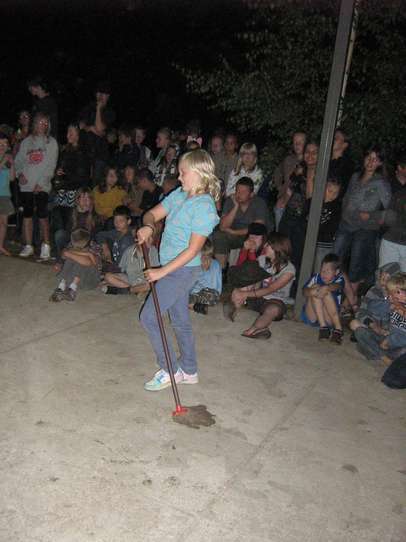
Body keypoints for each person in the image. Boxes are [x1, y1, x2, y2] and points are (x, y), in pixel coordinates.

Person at [138, 149, 220, 391]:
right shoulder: (179, 194)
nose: (179, 177)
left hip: (183, 270)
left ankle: (170, 370)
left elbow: (193, 250)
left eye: (183, 173)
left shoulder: (204, 208)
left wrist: (161, 272)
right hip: (173, 268)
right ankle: (189, 370)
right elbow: (151, 214)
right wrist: (149, 227)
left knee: (149, 317)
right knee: (180, 320)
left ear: (200, 174)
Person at [333, 146, 392, 300]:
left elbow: (391, 210)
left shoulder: (381, 182)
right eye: (368, 157)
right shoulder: (355, 176)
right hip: (346, 224)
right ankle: (335, 293)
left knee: (356, 264)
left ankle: (351, 301)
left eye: (375, 159)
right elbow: (346, 198)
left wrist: (372, 215)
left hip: (365, 228)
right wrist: (343, 213)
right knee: (335, 258)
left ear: (380, 163)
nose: (371, 162)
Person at [226, 233, 295, 340]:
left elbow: (270, 289)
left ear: (277, 248)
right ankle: (234, 310)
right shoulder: (263, 259)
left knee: (272, 310)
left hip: (276, 301)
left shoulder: (289, 270)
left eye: (268, 245)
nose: (264, 246)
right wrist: (240, 290)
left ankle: (255, 329)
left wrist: (244, 294)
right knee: (243, 286)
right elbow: (250, 273)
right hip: (257, 298)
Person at [15, 112, 58, 259]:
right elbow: (18, 161)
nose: (43, 125)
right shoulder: (26, 142)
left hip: (42, 186)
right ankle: (28, 246)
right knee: (27, 215)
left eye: (46, 123)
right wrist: (20, 174)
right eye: (41, 122)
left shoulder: (51, 142)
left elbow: (52, 165)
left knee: (42, 215)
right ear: (35, 124)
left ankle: (46, 245)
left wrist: (42, 183)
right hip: (26, 185)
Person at [278, 141, 318, 273]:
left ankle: (294, 280)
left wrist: (310, 174)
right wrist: (283, 202)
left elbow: (310, 197)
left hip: (304, 218)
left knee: (296, 253)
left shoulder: (321, 173)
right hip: (290, 212)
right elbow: (291, 186)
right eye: (307, 152)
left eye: (314, 152)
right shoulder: (301, 167)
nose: (310, 155)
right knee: (281, 247)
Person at [213, 177, 270, 270]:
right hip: (235, 235)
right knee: (219, 235)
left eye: (243, 192)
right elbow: (223, 227)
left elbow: (257, 229)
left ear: (251, 194)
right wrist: (235, 206)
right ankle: (221, 271)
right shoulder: (230, 201)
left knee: (254, 238)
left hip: (255, 236)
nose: (239, 194)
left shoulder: (259, 203)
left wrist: (233, 232)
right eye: (237, 190)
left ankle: (250, 272)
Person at [353, 272, 406, 365]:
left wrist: (390, 340)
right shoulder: (392, 302)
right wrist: (386, 300)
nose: (390, 297)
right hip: (386, 337)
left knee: (402, 348)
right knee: (360, 332)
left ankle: (375, 352)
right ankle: (384, 357)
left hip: (399, 342)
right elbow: (371, 308)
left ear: (401, 292)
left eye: (393, 293)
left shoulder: (399, 305)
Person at [52, 123, 90, 244]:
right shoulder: (65, 151)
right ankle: (64, 246)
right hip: (63, 190)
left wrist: (65, 174)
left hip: (75, 191)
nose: (68, 135)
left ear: (78, 135)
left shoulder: (82, 152)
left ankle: (76, 245)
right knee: (63, 221)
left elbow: (82, 175)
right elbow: (60, 168)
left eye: (72, 132)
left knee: (73, 220)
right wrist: (58, 172)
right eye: (68, 132)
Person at [302, 253, 345, 344]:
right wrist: (312, 291)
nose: (324, 273)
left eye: (328, 271)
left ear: (336, 272)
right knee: (316, 288)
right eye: (322, 270)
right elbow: (304, 291)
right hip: (312, 316)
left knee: (325, 292)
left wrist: (326, 288)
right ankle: (323, 327)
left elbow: (337, 286)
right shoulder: (316, 277)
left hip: (329, 318)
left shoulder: (339, 279)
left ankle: (338, 328)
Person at [78, 81, 116, 183]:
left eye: (103, 94)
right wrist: (89, 128)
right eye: (99, 93)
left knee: (97, 185)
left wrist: (98, 109)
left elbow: (100, 129)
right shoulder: (88, 108)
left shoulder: (110, 112)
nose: (100, 96)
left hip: (100, 155)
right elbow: (80, 125)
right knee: (83, 184)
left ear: (108, 96)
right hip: (85, 152)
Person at [349, 262, 400, 336]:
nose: (384, 281)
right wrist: (374, 326)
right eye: (382, 277)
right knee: (354, 324)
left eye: (388, 279)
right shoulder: (373, 291)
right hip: (372, 326)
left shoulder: (399, 295)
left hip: (389, 329)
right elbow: (361, 310)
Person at [49, 228, 100, 302]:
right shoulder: (72, 245)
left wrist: (89, 254)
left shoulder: (94, 246)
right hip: (72, 279)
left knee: (81, 260)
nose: (73, 244)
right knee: (72, 258)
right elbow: (64, 254)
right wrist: (87, 254)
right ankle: (61, 287)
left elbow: (91, 263)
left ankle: (72, 290)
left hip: (90, 281)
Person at [54, 187, 96, 261]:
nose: (85, 200)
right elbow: (69, 231)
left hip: (86, 243)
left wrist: (87, 213)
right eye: (82, 197)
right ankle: (61, 260)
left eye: (87, 198)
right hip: (72, 241)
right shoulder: (71, 212)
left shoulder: (95, 215)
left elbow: (93, 236)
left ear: (91, 200)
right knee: (60, 234)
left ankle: (71, 256)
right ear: (78, 200)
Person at [311, 177, 342, 271]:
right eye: (330, 191)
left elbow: (332, 227)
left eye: (336, 193)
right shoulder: (314, 201)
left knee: (319, 268)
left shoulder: (336, 207)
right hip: (310, 241)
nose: (332, 195)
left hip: (324, 244)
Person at [379, 173, 406, 271]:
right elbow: (388, 219)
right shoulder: (399, 194)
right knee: (386, 276)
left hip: (393, 241)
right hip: (391, 242)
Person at [96, 205, 134, 272]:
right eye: (115, 220)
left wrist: (107, 263)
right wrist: (105, 248)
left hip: (124, 270)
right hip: (115, 265)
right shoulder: (117, 232)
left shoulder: (127, 240)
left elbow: (120, 265)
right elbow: (100, 235)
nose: (117, 223)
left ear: (128, 221)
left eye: (121, 221)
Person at [188, 238, 222, 315]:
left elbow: (217, 289)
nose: (205, 260)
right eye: (203, 257)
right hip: (201, 295)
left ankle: (193, 305)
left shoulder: (215, 264)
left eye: (208, 256)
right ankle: (196, 306)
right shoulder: (194, 265)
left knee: (212, 296)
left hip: (207, 295)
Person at [273, 131, 306, 196]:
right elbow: (277, 173)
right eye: (295, 141)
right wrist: (280, 188)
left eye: (301, 141)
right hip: (284, 198)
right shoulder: (288, 160)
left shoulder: (310, 161)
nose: (297, 144)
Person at [0, 133, 15, 255]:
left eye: (5, 143)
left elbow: (12, 178)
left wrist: (12, 164)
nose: (2, 146)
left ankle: (0, 246)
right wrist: (2, 162)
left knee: (4, 223)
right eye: (0, 144)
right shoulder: (3, 159)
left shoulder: (8, 159)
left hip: (4, 194)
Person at [328, 128, 354, 192]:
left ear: (344, 145)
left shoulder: (346, 166)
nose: (331, 140)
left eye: (335, 138)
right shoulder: (325, 159)